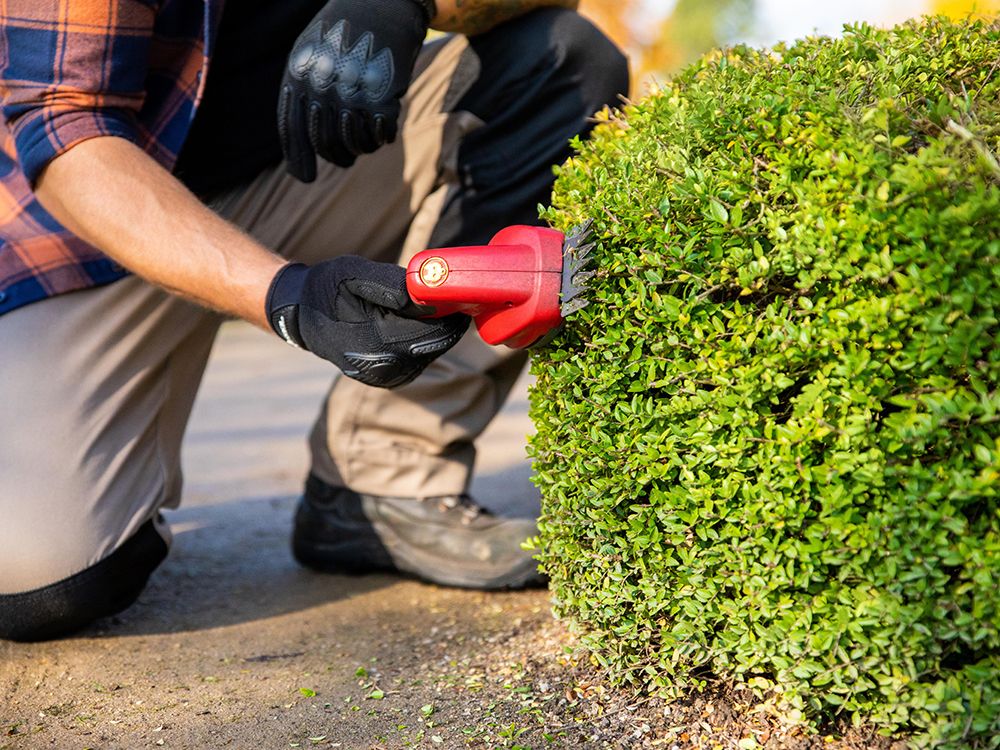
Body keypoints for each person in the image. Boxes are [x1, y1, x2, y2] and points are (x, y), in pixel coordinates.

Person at [0, 0, 628, 641]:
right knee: (43, 581)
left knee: (561, 62)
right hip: (84, 232)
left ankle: (382, 477)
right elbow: (63, 119)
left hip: (306, 168)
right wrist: (285, 294)